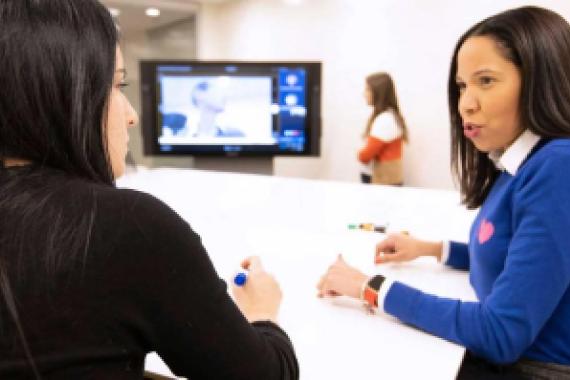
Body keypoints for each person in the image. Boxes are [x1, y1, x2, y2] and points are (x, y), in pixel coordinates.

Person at [0, 1, 298, 379]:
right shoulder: (127, 227)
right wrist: (262, 313)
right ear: (61, 93)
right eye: (116, 85)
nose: (132, 115)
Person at [318, 6, 570, 379]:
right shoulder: (517, 163)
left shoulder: (558, 166)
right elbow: (516, 257)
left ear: (540, 79)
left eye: (485, 81)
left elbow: (501, 333)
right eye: (462, 86)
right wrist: (434, 249)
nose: (466, 103)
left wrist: (369, 287)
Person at [357, 72, 408, 185]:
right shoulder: (390, 115)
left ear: (379, 93)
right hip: (388, 180)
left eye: (368, 90)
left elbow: (365, 156)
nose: (364, 94)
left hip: (383, 181)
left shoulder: (385, 120)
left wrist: (359, 154)